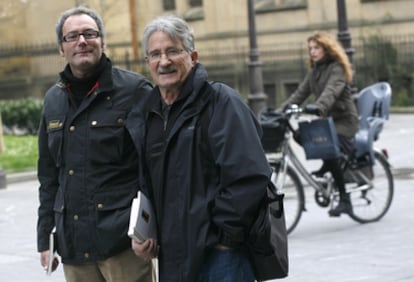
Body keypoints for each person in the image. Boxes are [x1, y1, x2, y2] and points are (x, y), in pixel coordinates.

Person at [129, 15, 273, 282]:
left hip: (220, 258)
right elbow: (146, 181)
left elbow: (250, 176)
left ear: (192, 56)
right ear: (147, 62)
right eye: (155, 54)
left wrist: (222, 238)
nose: (164, 61)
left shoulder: (221, 102)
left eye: (173, 51)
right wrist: (144, 232)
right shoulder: (147, 112)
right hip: (172, 256)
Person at [36, 6, 153, 282]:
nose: (82, 41)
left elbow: (152, 166)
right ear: (60, 49)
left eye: (90, 33)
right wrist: (45, 237)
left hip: (123, 244)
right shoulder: (53, 100)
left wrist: (149, 229)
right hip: (74, 245)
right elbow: (48, 175)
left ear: (103, 41)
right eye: (72, 36)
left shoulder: (135, 91)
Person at [281, 31, 359, 217]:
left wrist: (318, 106)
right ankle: (329, 164)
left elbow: (331, 91)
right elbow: (299, 94)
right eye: (310, 49)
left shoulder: (337, 68)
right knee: (300, 134)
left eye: (317, 48)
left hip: (344, 122)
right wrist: (279, 112)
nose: (313, 52)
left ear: (327, 48)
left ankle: (345, 200)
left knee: (329, 148)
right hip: (328, 122)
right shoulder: (315, 71)